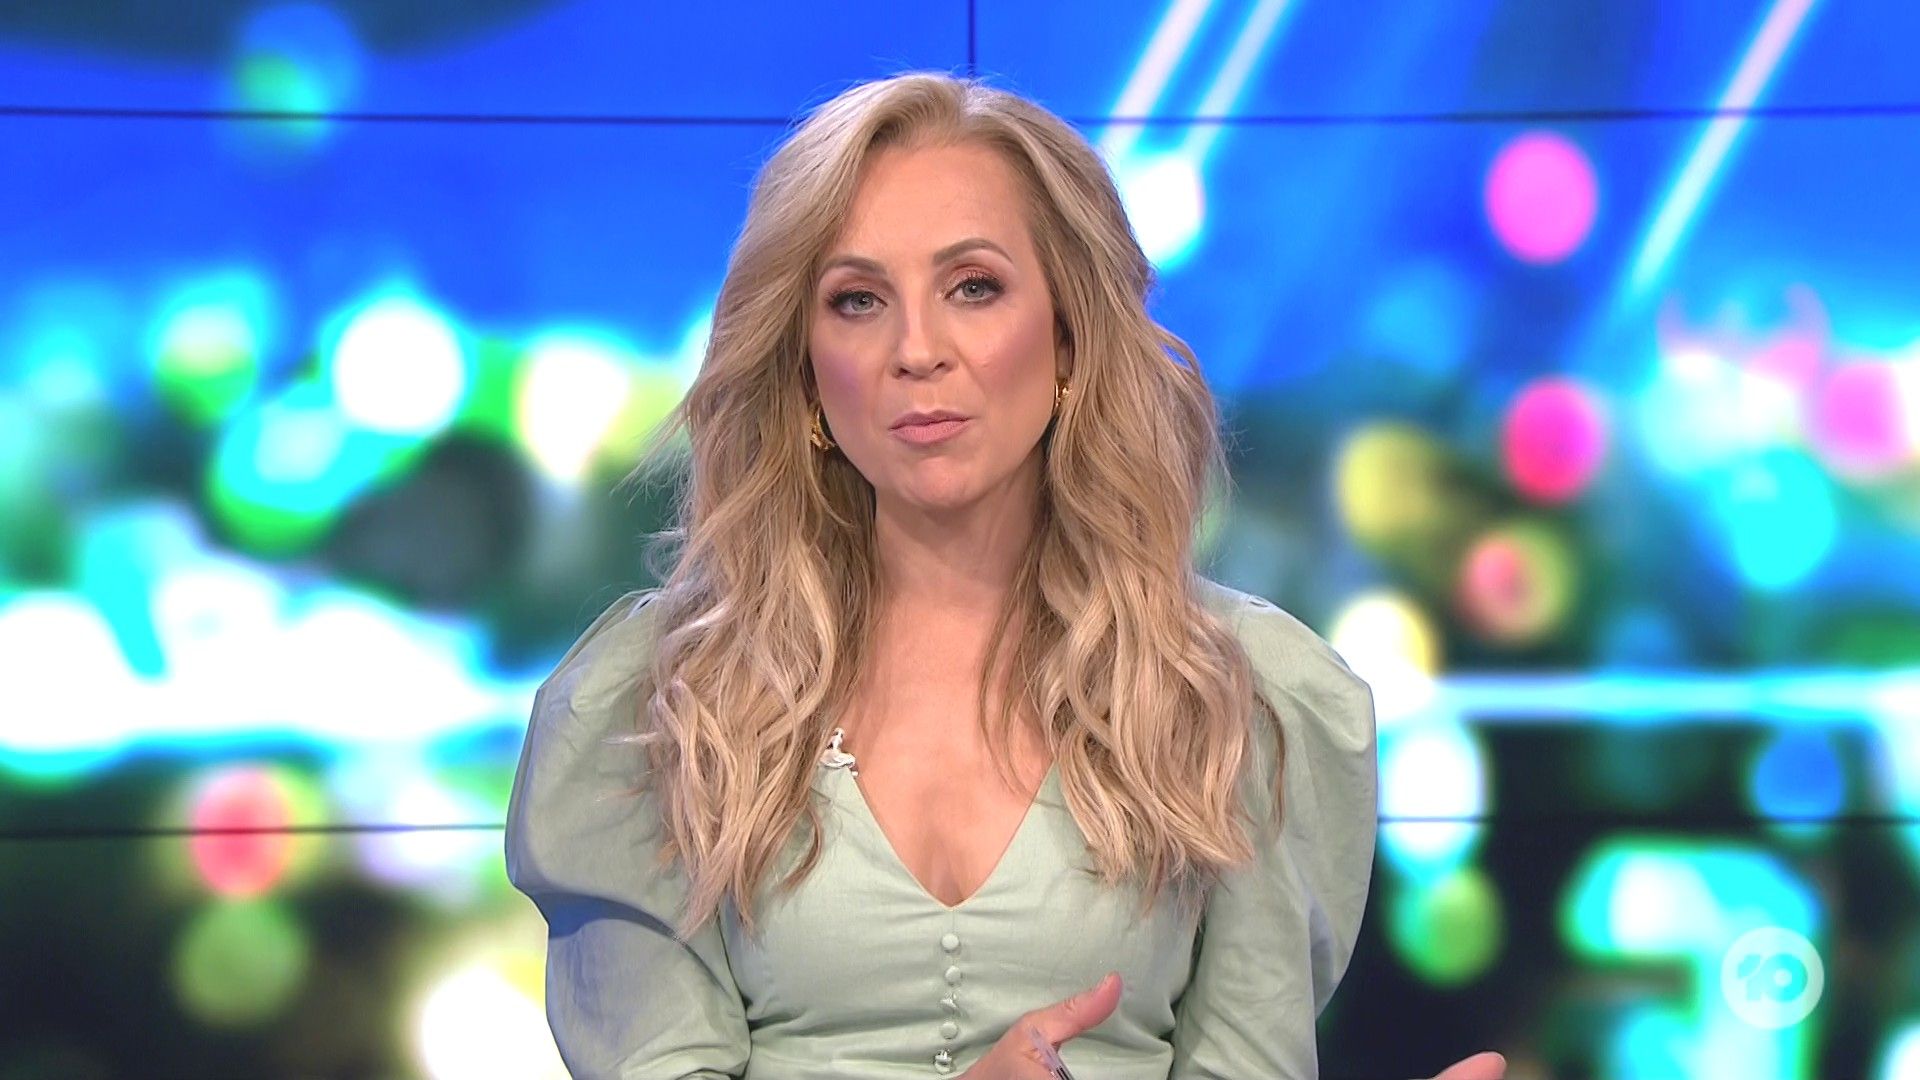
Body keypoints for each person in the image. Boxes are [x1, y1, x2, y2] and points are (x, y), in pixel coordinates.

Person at [505, 71, 1506, 1080]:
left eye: (973, 288)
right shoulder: (660, 705)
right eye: (857, 301)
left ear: (1068, 338)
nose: (917, 350)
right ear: (805, 372)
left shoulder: (1246, 696)